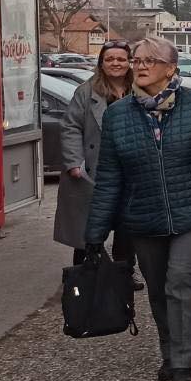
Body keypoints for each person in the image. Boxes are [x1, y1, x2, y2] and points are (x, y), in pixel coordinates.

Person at [85, 36, 191, 381]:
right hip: (144, 215)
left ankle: (183, 363)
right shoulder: (117, 116)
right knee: (158, 289)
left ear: (171, 68)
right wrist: (95, 232)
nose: (139, 66)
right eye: (136, 60)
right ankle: (170, 351)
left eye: (148, 61)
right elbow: (109, 178)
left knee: (181, 277)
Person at [54, 40, 139, 288]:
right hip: (93, 170)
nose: (116, 63)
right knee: (89, 228)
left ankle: (124, 274)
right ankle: (84, 276)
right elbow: (70, 127)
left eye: (121, 59)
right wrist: (74, 163)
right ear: (101, 63)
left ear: (128, 63)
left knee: (127, 229)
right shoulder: (86, 91)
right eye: (110, 59)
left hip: (129, 171)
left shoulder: (138, 89)